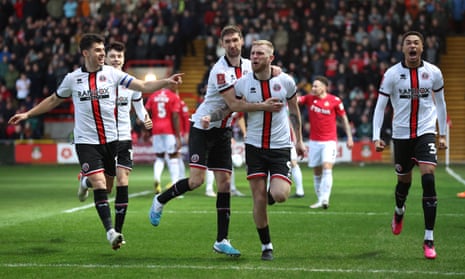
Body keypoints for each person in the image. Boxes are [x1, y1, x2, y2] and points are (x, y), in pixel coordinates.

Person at [8, 33, 183, 250]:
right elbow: (53, 99)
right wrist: (27, 114)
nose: (103, 54)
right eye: (99, 50)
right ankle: (111, 232)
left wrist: (166, 81)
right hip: (86, 141)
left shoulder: (112, 74)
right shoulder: (72, 79)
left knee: (107, 187)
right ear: (85, 53)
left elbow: (141, 86)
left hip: (111, 141)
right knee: (101, 183)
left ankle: (85, 182)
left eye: (103, 50)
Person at [148, 25, 281, 258]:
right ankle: (160, 200)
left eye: (235, 40)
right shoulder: (220, 71)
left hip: (222, 130)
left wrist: (276, 69)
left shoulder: (249, 65)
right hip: (202, 126)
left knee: (225, 183)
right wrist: (264, 105)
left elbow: (269, 70)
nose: (232, 44)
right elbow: (235, 105)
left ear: (242, 42)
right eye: (227, 41)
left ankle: (222, 240)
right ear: (222, 44)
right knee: (196, 181)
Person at [203, 40, 305, 260]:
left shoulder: (285, 81)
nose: (255, 57)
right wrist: (211, 116)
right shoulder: (242, 84)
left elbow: (294, 110)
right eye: (253, 53)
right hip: (254, 148)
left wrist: (299, 141)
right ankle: (266, 246)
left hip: (280, 147)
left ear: (271, 58)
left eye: (260, 53)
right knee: (258, 199)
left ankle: (271, 196)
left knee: (279, 194)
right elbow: (230, 108)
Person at [372, 31, 448, 260]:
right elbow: (379, 106)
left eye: (416, 43)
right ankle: (399, 211)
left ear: (422, 47)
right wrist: (376, 135)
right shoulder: (392, 74)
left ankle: (429, 238)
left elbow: (441, 104)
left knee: (428, 178)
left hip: (425, 132)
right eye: (408, 43)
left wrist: (441, 133)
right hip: (402, 135)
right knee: (403, 183)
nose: (412, 46)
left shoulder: (433, 72)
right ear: (403, 48)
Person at [77, 41, 153, 239]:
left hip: (124, 138)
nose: (116, 59)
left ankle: (118, 231)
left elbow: (139, 106)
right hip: (103, 138)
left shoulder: (131, 84)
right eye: (112, 56)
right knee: (107, 187)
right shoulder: (100, 81)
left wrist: (145, 118)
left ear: (124, 59)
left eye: (119, 56)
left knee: (122, 180)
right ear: (107, 58)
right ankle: (87, 182)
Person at [299, 76, 353, 209]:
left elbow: (344, 118)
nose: (313, 88)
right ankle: (319, 199)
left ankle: (325, 199)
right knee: (317, 172)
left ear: (324, 87)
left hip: (329, 141)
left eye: (316, 86)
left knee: (327, 167)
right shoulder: (309, 98)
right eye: (313, 86)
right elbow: (295, 100)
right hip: (314, 142)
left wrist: (349, 137)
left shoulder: (335, 101)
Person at [145, 86, 182, 194]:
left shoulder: (153, 96)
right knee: (173, 156)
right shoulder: (173, 96)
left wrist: (147, 128)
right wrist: (178, 136)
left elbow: (146, 110)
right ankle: (175, 185)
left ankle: (157, 179)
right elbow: (175, 116)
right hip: (168, 129)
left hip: (156, 129)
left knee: (159, 157)